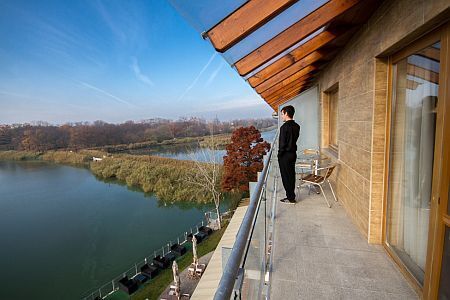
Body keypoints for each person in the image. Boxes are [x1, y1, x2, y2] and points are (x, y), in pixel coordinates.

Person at [278, 105, 300, 204]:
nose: (281, 116)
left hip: (285, 156)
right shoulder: (297, 126)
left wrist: (279, 155)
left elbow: (282, 144)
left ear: (286, 113)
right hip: (293, 154)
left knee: (285, 177)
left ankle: (290, 198)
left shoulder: (284, 128)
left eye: (282, 114)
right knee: (291, 175)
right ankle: (292, 196)